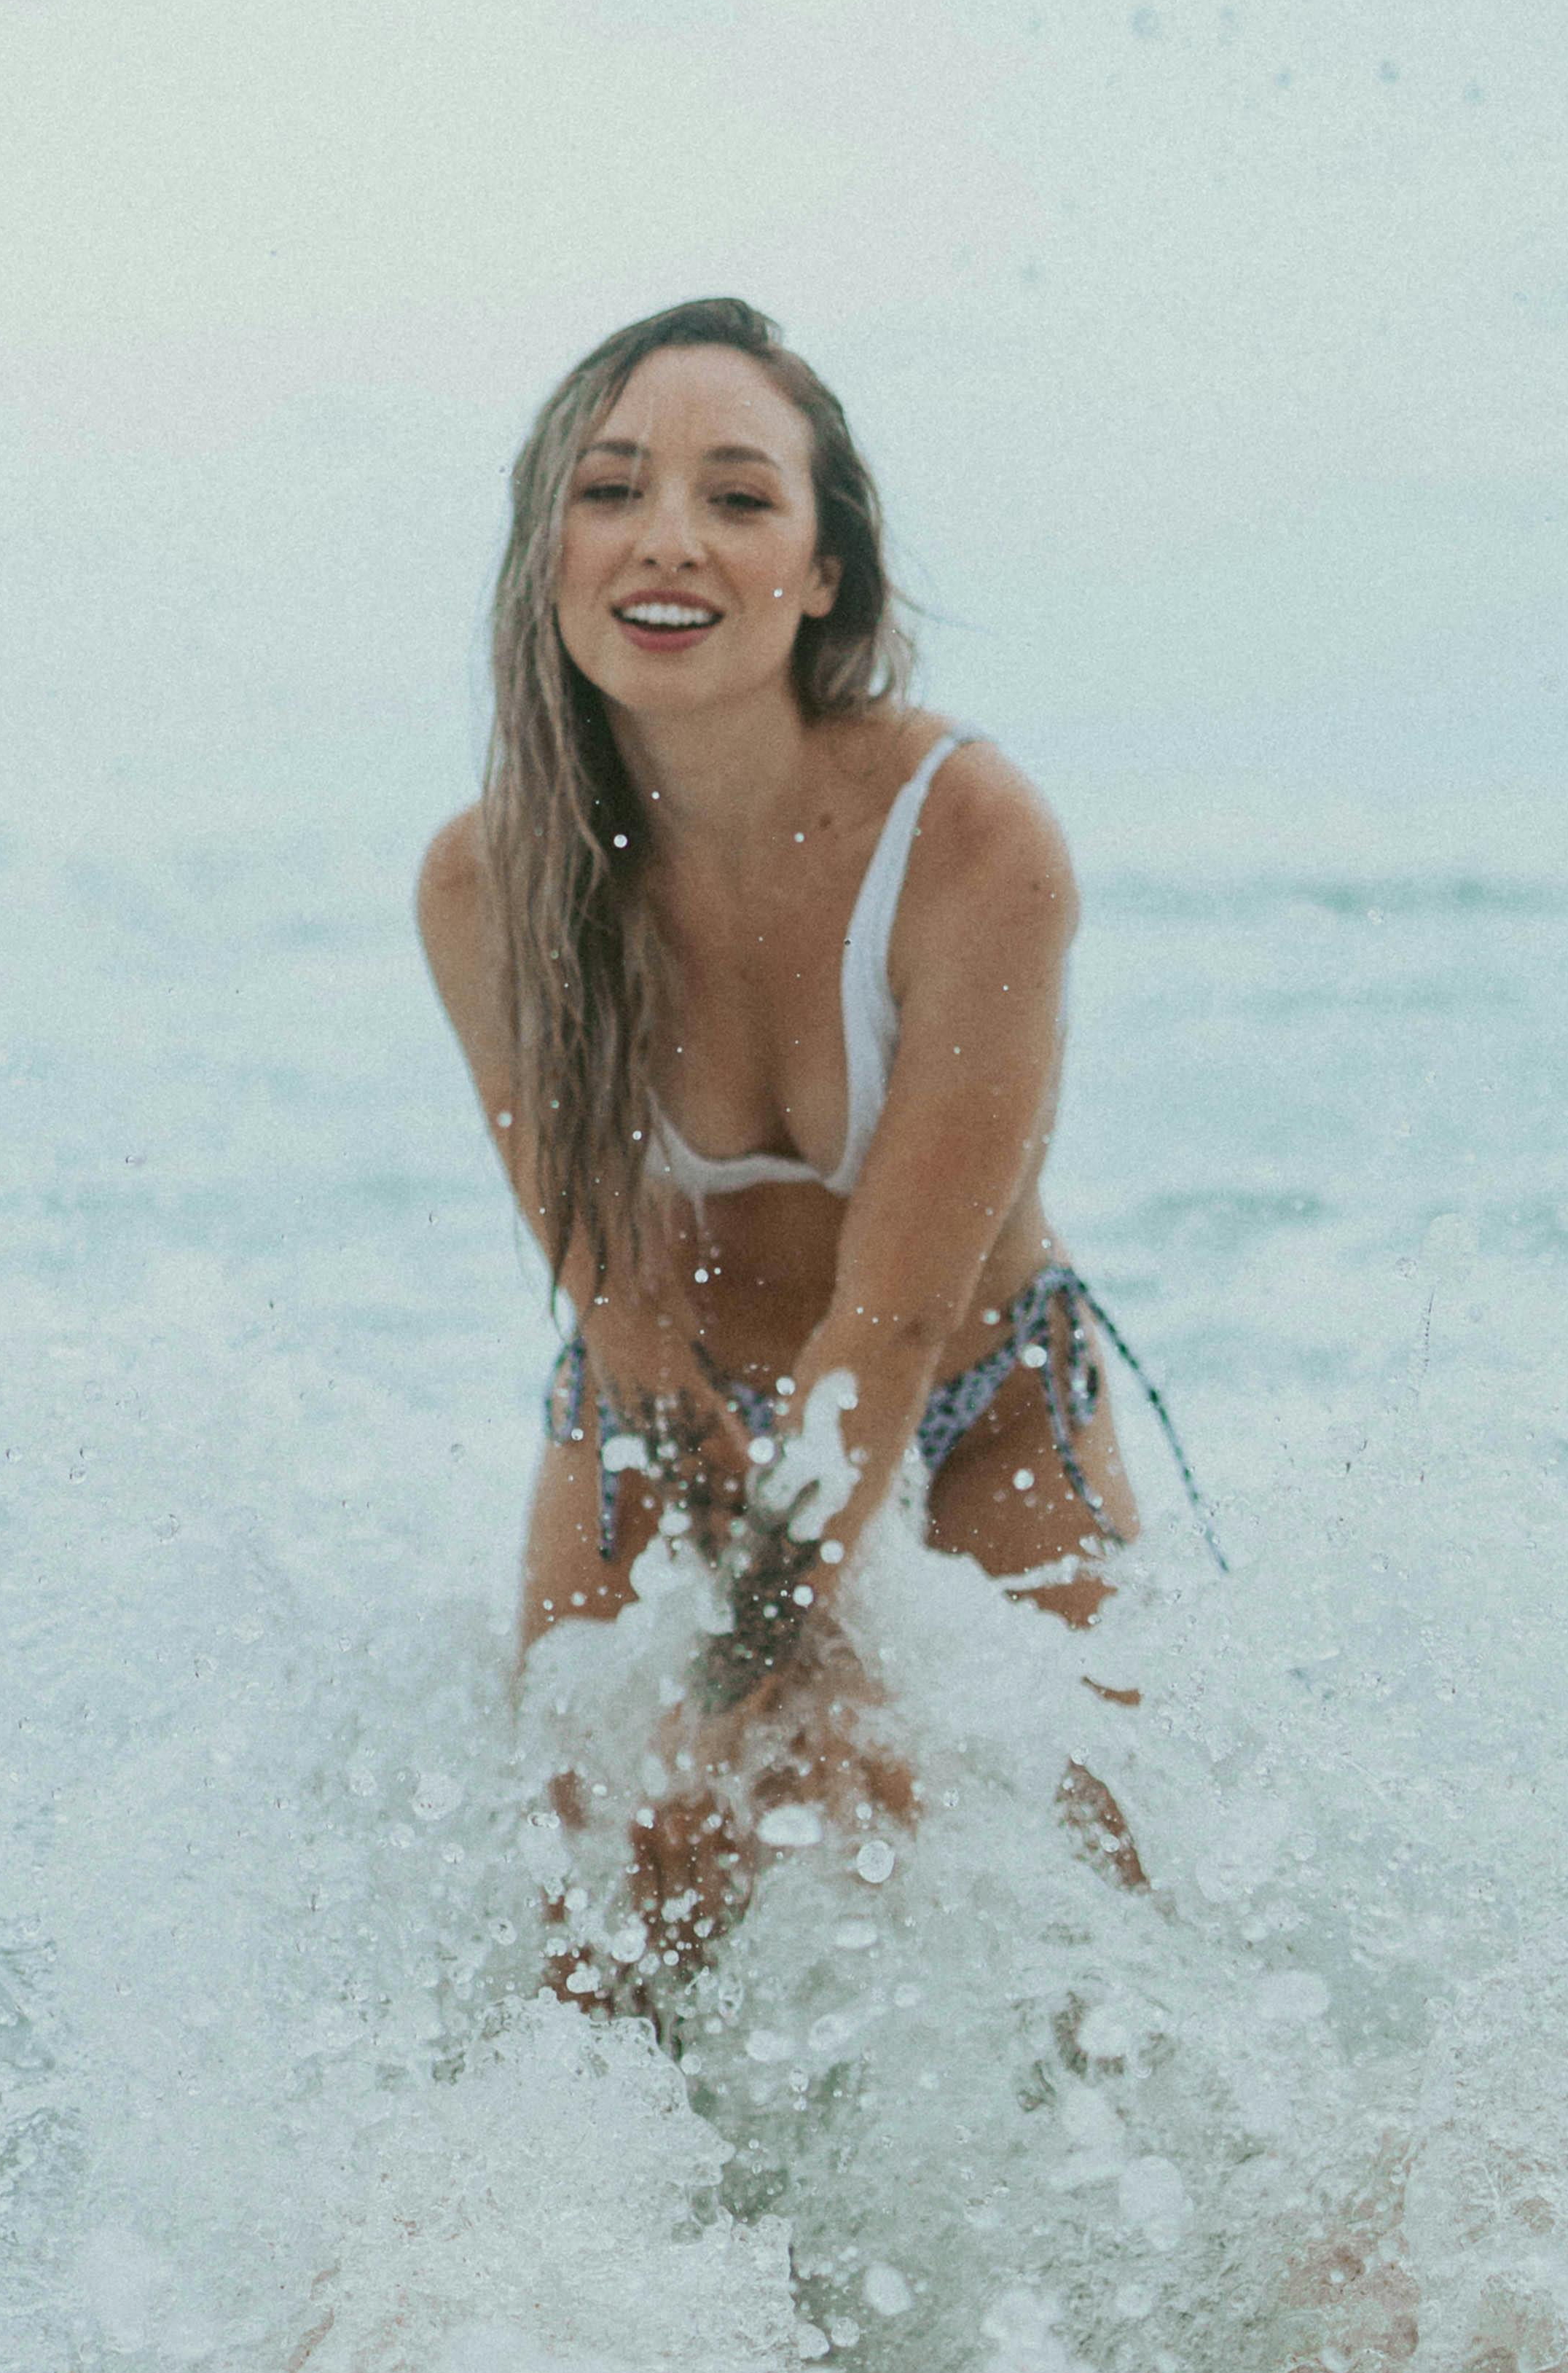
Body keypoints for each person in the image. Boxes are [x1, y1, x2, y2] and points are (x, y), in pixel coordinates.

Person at [416, 298, 1155, 1967]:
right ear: (549, 549)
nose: (666, 537)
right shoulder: (486, 886)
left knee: (1107, 1923)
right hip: (657, 1414)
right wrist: (724, 1684)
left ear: (826, 572)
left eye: (739, 498)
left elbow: (885, 1331)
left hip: (979, 1400)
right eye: (610, 490)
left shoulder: (970, 836)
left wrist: (776, 1639)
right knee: (599, 1932)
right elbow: (619, 1317)